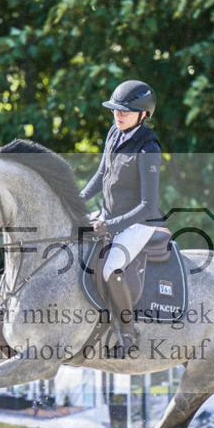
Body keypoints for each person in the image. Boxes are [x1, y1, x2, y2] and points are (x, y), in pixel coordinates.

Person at [79, 80, 163, 356]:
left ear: (143, 114)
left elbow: (148, 206)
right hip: (109, 215)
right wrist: (76, 201)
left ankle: (128, 334)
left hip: (140, 222)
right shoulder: (114, 133)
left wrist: (111, 225)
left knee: (110, 268)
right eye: (115, 110)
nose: (118, 115)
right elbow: (102, 174)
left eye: (124, 111)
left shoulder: (149, 149)